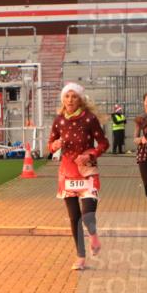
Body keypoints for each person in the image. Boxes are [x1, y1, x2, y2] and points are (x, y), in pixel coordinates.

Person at [47, 83, 109, 271]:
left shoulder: (89, 119)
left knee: (88, 215)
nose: (70, 100)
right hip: (67, 172)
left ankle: (94, 237)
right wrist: (54, 146)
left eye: (74, 96)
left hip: (87, 171)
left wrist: (90, 155)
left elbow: (104, 143)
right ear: (63, 100)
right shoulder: (59, 120)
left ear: (80, 99)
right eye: (67, 96)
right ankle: (81, 257)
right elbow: (50, 145)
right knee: (74, 218)